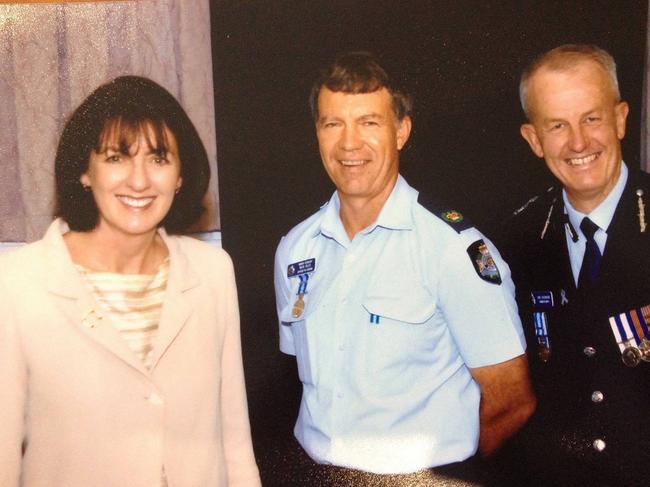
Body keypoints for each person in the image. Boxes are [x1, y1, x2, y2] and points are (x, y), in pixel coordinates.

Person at [273, 52, 535, 483]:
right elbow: (299, 381)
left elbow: (512, 400)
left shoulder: (452, 248)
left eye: (369, 123)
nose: (349, 144)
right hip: (312, 472)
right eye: (332, 123)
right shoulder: (296, 249)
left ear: (401, 131)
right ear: (317, 134)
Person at [0, 76, 261, 487]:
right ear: (84, 171)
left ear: (180, 176)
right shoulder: (17, 283)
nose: (139, 181)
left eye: (158, 159)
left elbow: (235, 441)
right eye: (117, 157)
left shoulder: (213, 273)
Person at [498, 44, 650, 486]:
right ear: (534, 139)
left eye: (592, 118)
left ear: (621, 118)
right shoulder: (516, 240)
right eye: (558, 125)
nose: (579, 142)